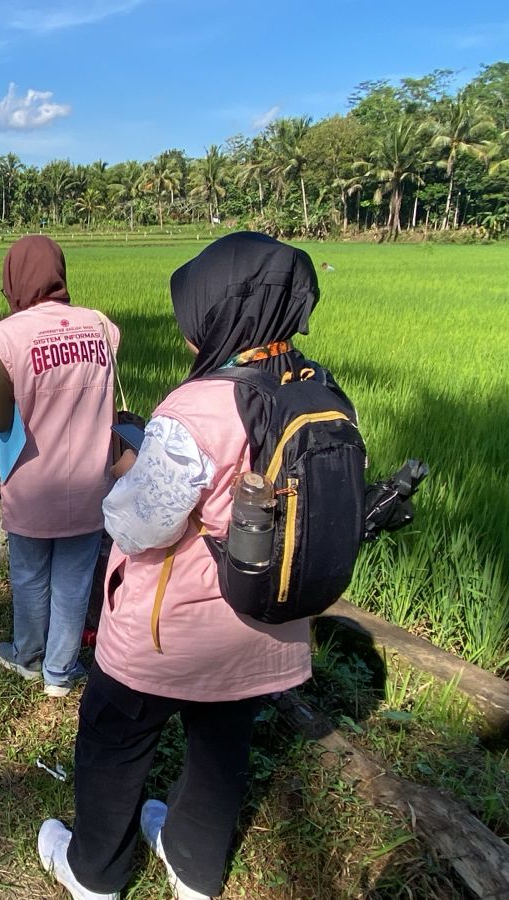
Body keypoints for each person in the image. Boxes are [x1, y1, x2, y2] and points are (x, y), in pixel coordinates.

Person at [38, 233, 325, 899]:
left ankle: (94, 873)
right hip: (262, 629)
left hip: (169, 634)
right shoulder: (318, 392)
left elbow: (140, 527)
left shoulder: (199, 406)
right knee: (221, 751)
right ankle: (194, 872)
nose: (188, 329)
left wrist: (124, 471)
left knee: (114, 742)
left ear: (225, 312)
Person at [0, 235, 118, 698]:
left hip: (33, 483)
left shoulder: (7, 336)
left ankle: (28, 656)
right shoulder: (101, 326)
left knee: (30, 576)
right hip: (91, 482)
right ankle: (60, 671)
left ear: (14, 278)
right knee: (75, 581)